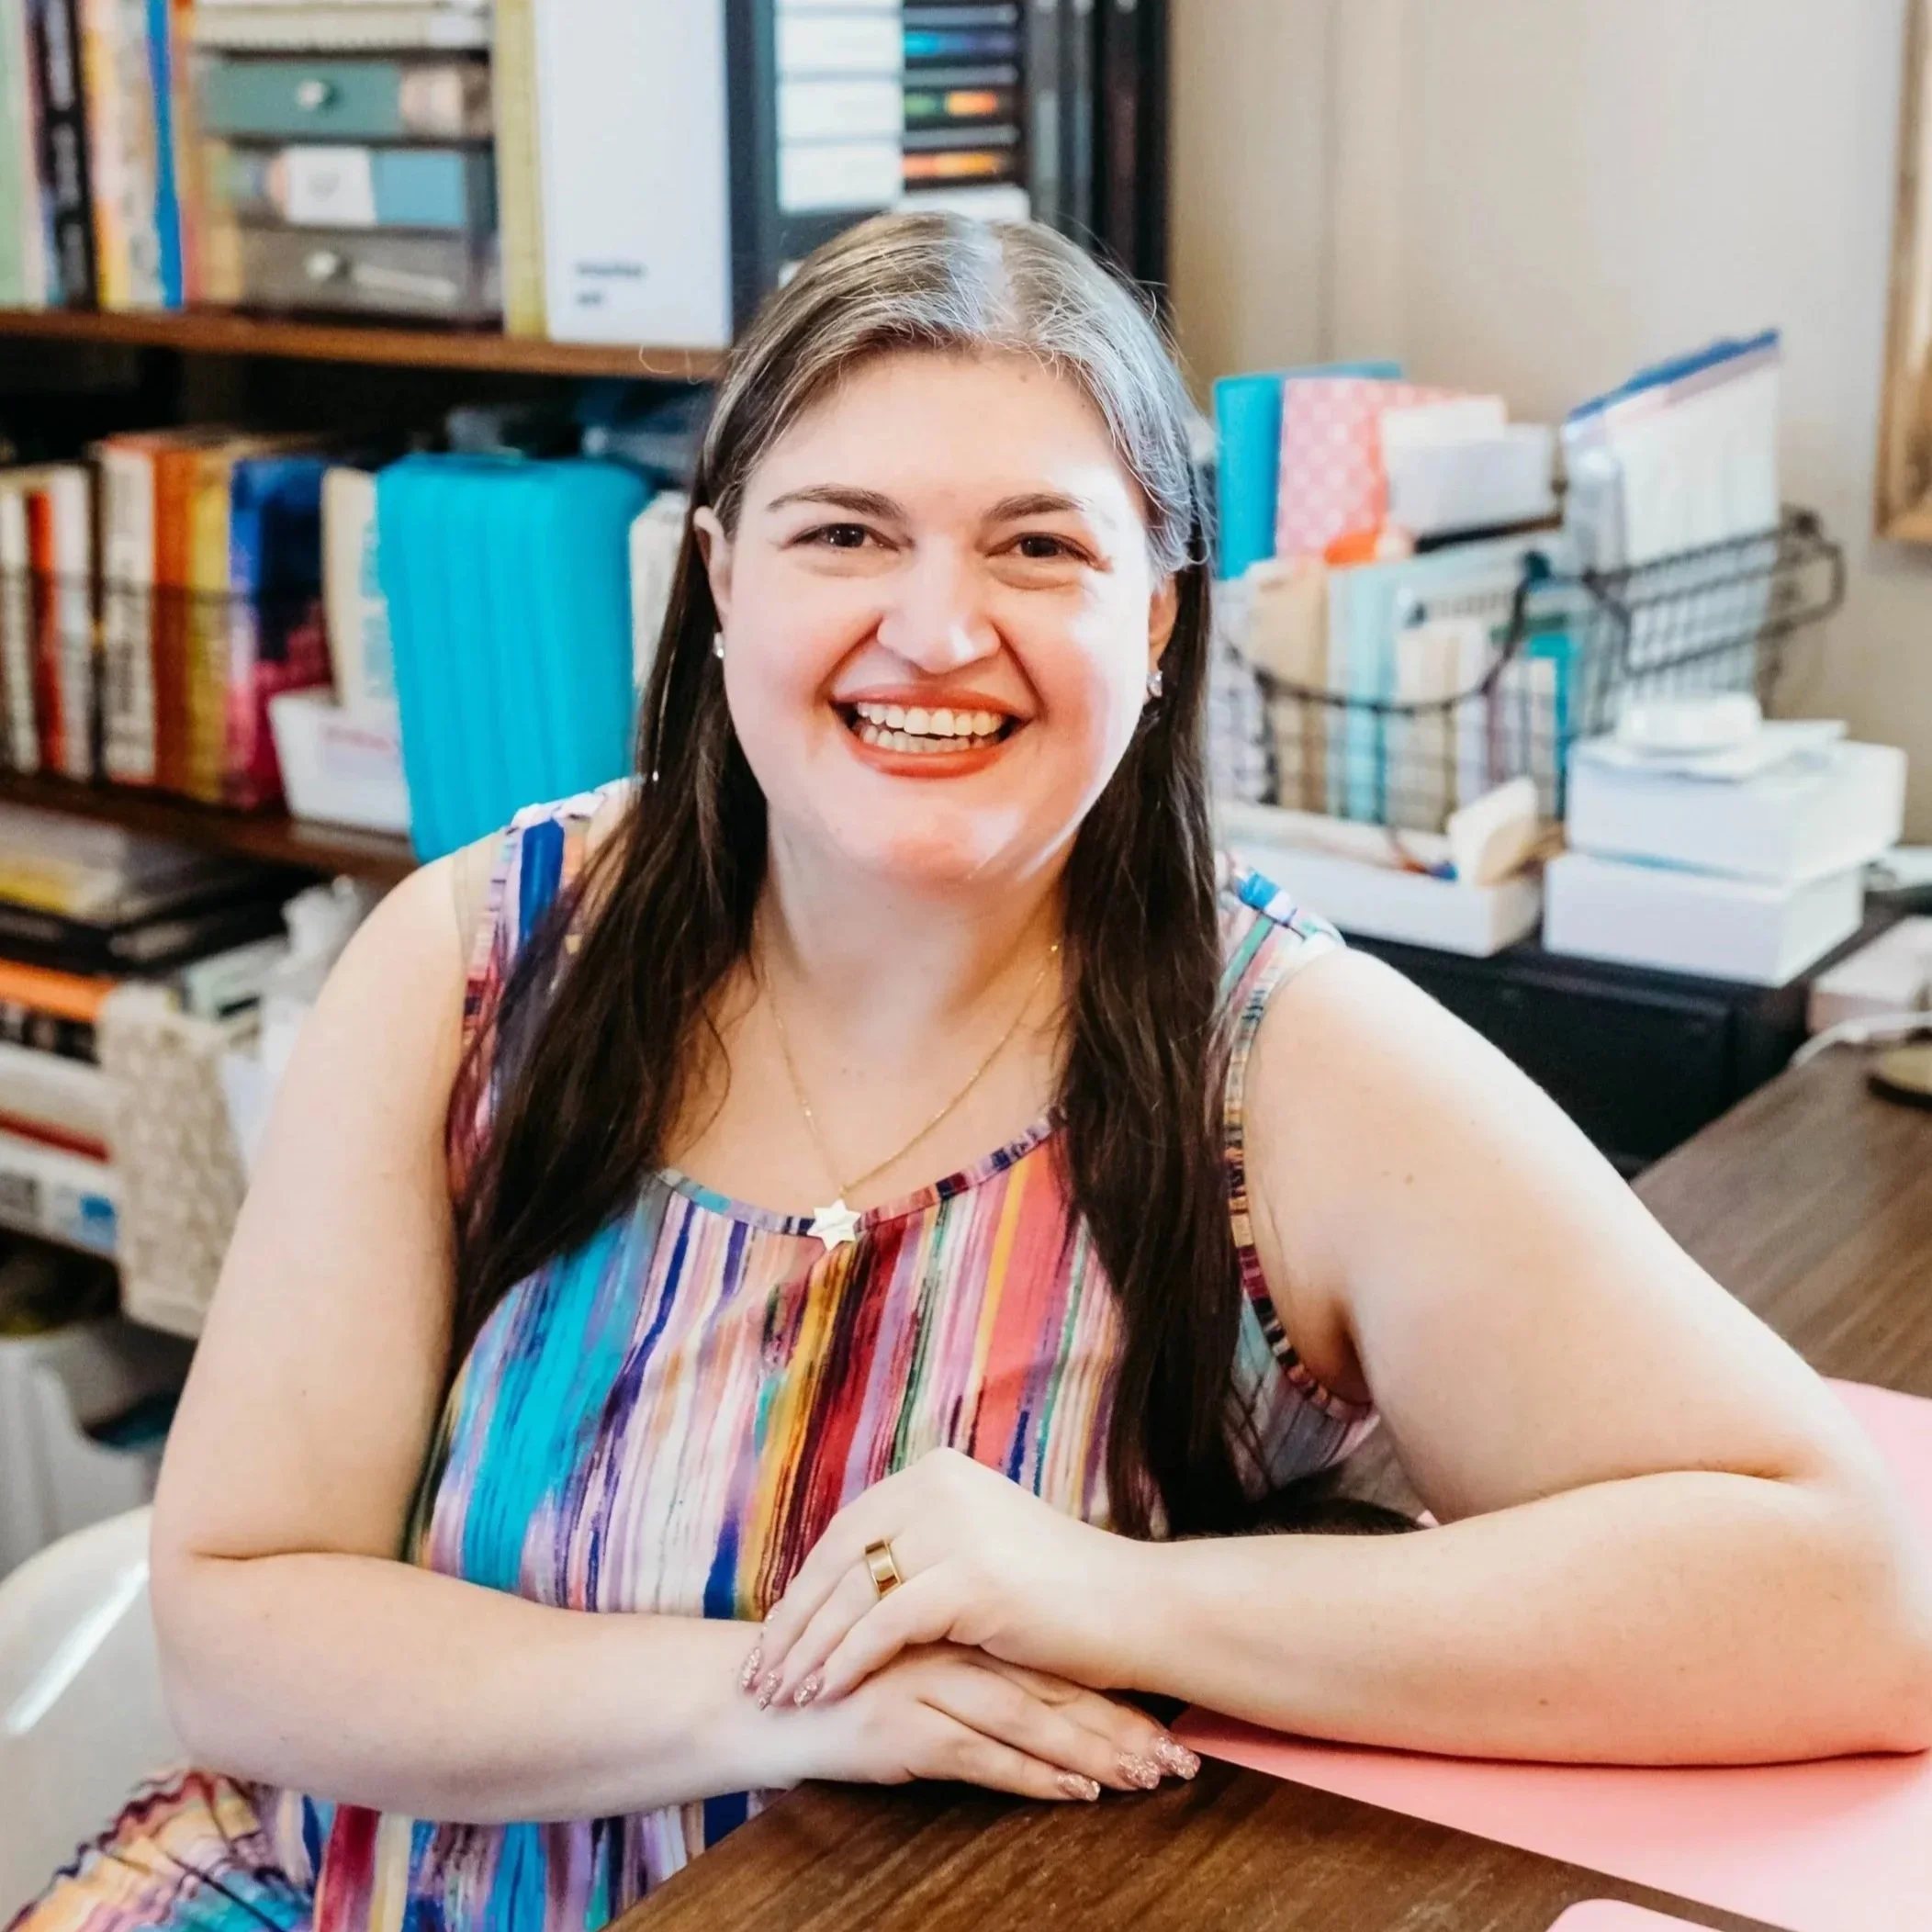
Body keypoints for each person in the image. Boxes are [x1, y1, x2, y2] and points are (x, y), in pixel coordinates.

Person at [20, 213, 1930, 1932]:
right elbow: (245, 1626)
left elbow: (1854, 1604)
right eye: (843, 532)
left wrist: (1105, 1593)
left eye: (1037, 546)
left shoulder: (1281, 1062)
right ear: (715, 578)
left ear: (1159, 620)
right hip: (306, 1889)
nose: (933, 630)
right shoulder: (472, 960)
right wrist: (784, 1686)